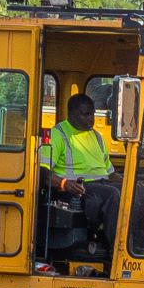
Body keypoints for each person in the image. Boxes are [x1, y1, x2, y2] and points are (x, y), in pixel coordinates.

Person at [41, 90, 116, 266]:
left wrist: (133, 181)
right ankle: (118, 251)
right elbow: (42, 172)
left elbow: (110, 173)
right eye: (85, 114)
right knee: (114, 195)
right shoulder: (57, 134)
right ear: (71, 115)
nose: (91, 119)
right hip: (80, 191)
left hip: (103, 185)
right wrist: (64, 183)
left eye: (92, 114)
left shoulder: (97, 137)